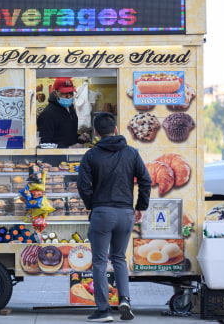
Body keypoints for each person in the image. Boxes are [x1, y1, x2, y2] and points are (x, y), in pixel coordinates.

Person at [77, 112, 152, 322]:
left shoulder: (91, 155)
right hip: (126, 213)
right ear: (116, 130)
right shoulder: (132, 153)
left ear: (96, 133)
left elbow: (82, 185)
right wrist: (140, 207)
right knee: (119, 258)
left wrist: (91, 204)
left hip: (102, 213)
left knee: (100, 261)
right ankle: (125, 299)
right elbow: (146, 181)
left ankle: (103, 310)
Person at [37, 77, 80, 148]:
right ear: (55, 93)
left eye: (71, 93)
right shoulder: (47, 114)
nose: (68, 96)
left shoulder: (70, 108)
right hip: (56, 158)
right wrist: (69, 148)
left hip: (71, 156)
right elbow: (45, 144)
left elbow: (66, 135)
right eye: (64, 93)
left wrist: (79, 138)